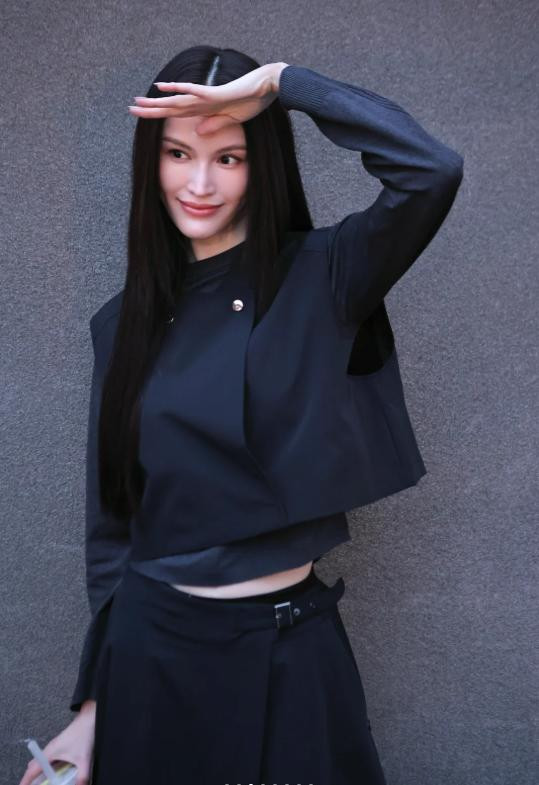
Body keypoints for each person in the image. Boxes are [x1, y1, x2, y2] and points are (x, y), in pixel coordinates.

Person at [19, 45, 463, 785]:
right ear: (150, 163)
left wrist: (287, 84)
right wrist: (94, 704)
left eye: (228, 157)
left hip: (291, 649)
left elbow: (430, 170)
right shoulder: (122, 323)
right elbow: (113, 527)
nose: (198, 183)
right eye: (178, 153)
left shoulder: (323, 274)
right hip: (151, 652)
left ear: (263, 166)